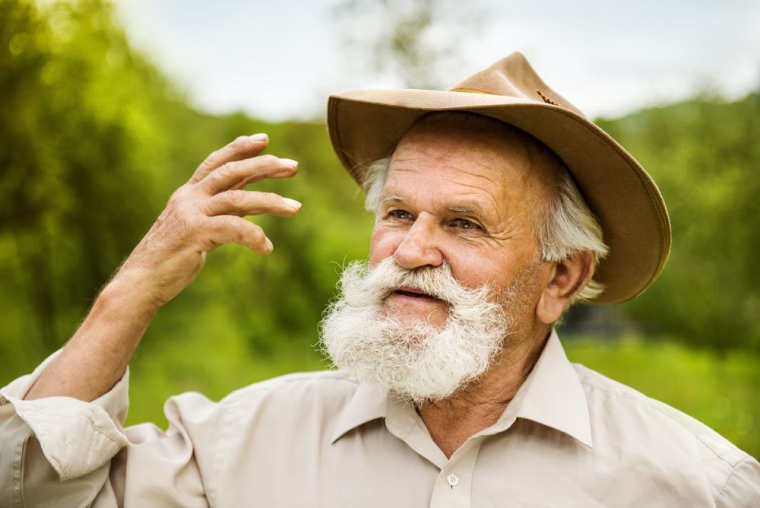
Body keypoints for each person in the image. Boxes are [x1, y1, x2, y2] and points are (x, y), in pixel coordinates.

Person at [1, 52, 758, 507]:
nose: (411, 250)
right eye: (398, 213)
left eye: (462, 223)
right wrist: (132, 290)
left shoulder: (691, 482)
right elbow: (31, 492)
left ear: (562, 278)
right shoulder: (242, 444)